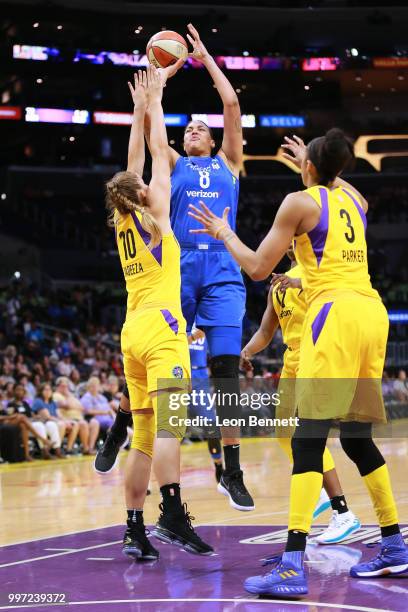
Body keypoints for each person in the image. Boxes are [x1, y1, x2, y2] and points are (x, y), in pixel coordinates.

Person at [189, 129, 408, 596]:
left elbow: (258, 268)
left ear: (308, 166)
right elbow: (338, 187)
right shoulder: (355, 202)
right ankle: (393, 544)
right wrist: (309, 165)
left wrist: (224, 231)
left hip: (336, 316)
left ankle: (291, 566)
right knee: (356, 439)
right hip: (372, 313)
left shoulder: (297, 203)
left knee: (306, 443)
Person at [105, 66, 213, 560]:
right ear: (143, 192)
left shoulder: (122, 217)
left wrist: (137, 108)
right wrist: (156, 100)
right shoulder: (158, 216)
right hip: (163, 330)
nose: (153, 181)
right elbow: (156, 152)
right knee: (171, 428)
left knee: (144, 438)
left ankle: (133, 529)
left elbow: (133, 161)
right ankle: (170, 514)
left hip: (130, 334)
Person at [143, 24, 252, 511]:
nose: (192, 130)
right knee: (170, 369)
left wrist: (206, 59)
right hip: (180, 267)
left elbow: (231, 106)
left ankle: (231, 468)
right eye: (188, 128)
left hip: (224, 268)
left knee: (226, 373)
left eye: (199, 128)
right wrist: (157, 83)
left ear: (213, 141)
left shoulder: (230, 162)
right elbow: (154, 129)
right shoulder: (172, 162)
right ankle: (134, 430)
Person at [241, 247, 360, 543]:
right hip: (292, 359)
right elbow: (267, 331)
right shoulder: (278, 286)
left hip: (316, 356)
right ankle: (320, 492)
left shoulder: (319, 272)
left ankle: (343, 512)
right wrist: (246, 350)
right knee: (283, 433)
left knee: (309, 436)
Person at [188, 326, 223, 484]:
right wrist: (192, 338)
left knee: (211, 427)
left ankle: (218, 465)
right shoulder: (177, 320)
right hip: (178, 375)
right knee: (166, 431)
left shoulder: (204, 324)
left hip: (200, 377)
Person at [1, 383, 51, 460]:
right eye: (18, 390)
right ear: (14, 391)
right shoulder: (11, 403)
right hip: (7, 423)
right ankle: (42, 439)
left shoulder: (25, 403)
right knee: (21, 417)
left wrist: (38, 417)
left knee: (23, 425)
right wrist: (11, 416)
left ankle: (27, 455)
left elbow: (31, 414)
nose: (20, 392)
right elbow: (8, 416)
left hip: (25, 423)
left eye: (22, 390)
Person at [54, 377, 99, 454]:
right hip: (68, 418)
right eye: (63, 386)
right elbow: (67, 406)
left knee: (94, 422)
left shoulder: (70, 395)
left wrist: (71, 402)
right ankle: (85, 449)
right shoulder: (56, 395)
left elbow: (82, 408)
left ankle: (90, 447)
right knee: (83, 424)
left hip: (79, 417)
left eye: (66, 386)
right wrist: (71, 401)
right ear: (58, 386)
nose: (65, 388)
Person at [32, 383, 65, 458]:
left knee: (52, 424)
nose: (48, 391)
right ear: (41, 391)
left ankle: (57, 450)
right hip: (37, 422)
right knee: (41, 426)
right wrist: (59, 421)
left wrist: (65, 421)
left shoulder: (52, 402)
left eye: (49, 390)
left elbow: (58, 415)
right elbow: (47, 416)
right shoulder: (38, 401)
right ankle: (45, 451)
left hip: (47, 422)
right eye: (45, 390)